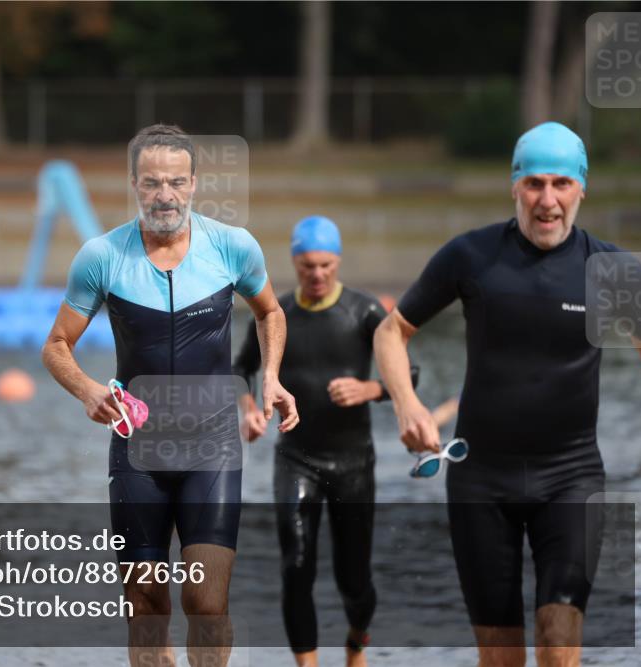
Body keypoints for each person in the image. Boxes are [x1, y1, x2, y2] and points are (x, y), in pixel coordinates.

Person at [373, 121, 641, 667]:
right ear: (514, 187)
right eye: (533, 184)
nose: (546, 200)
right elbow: (392, 331)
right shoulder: (471, 257)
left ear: (581, 189)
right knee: (501, 658)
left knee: (557, 642)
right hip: (482, 481)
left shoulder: (614, 269)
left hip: (571, 478)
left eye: (560, 184)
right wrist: (407, 405)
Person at [41, 124, 299, 667]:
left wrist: (270, 376)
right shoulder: (102, 256)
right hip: (139, 452)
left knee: (206, 602)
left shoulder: (233, 246)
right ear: (134, 183)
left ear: (194, 183)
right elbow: (57, 346)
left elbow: (270, 311)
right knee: (145, 602)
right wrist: (88, 390)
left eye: (176, 182)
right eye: (153, 182)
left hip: (213, 448)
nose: (166, 195)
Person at [233, 216, 417, 667]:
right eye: (307, 266)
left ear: (338, 262)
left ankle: (356, 643)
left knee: (353, 581)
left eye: (326, 265)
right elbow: (240, 369)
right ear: (295, 263)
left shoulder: (365, 311)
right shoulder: (277, 314)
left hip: (353, 463)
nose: (317, 275)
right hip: (296, 460)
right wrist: (249, 410)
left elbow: (408, 376)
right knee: (296, 567)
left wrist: (370, 389)